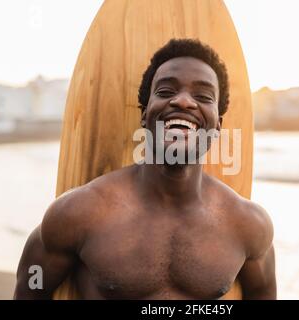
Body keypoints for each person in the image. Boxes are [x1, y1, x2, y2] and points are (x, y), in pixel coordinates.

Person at [14, 39, 276, 299]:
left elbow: (263, 293)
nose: (184, 102)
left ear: (217, 126)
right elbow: (31, 288)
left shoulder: (249, 225)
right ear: (145, 114)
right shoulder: (78, 213)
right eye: (165, 91)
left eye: (203, 96)